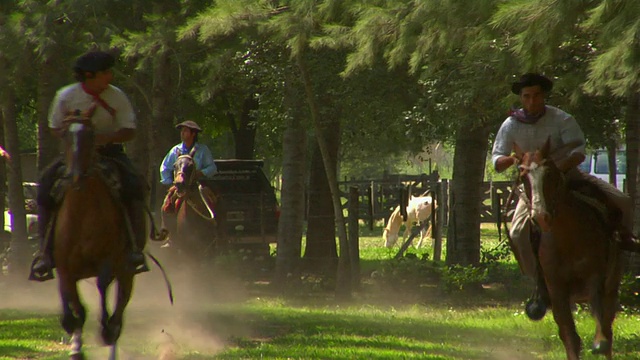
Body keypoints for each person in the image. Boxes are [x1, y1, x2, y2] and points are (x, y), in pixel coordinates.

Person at [492, 72, 640, 302]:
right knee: (518, 232)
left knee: (622, 201)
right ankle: (538, 285)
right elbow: (497, 160)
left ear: (544, 96)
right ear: (521, 98)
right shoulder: (510, 125)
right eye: (527, 96)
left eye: (536, 96)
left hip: (568, 176)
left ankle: (623, 240)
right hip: (533, 185)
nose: (532, 101)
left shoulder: (561, 119)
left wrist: (557, 170)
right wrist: (514, 159)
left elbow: (578, 152)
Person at [29, 50, 148, 281]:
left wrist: (105, 138)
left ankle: (134, 249)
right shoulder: (66, 96)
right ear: (89, 75)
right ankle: (44, 252)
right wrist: (71, 130)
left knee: (134, 184)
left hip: (109, 153)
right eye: (105, 72)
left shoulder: (117, 97)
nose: (110, 76)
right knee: (45, 185)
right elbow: (54, 128)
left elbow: (129, 130)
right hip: (74, 153)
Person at [159, 121, 217, 213]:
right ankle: (166, 226)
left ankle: (215, 222)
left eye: (185, 131)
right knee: (166, 205)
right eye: (182, 131)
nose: (182, 133)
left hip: (199, 184)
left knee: (213, 200)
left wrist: (201, 173)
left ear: (193, 133)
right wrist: (171, 183)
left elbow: (212, 168)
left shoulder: (202, 150)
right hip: (179, 186)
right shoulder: (175, 150)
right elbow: (165, 167)